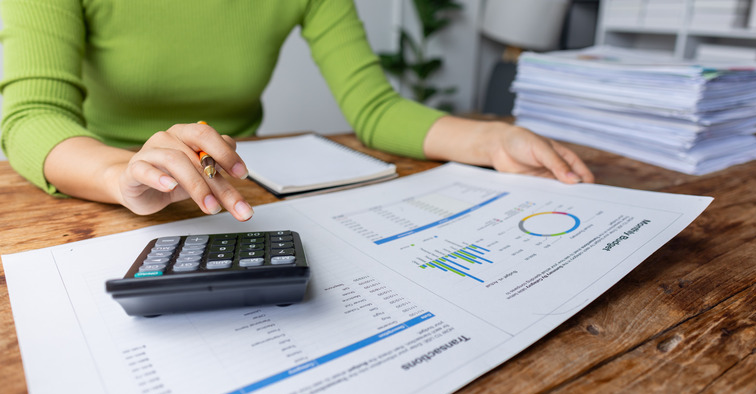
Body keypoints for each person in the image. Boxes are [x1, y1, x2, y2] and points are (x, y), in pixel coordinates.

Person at [0, 0, 594, 222]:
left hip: (238, 192)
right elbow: (32, 115)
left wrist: (491, 141)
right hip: (96, 189)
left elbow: (376, 107)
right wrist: (120, 174)